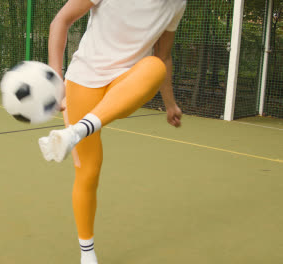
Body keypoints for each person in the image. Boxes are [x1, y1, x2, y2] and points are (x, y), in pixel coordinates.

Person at [38, 0, 187, 263]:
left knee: (155, 66)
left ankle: (76, 132)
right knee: (89, 171)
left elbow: (163, 55)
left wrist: (170, 103)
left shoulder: (177, 3)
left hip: (126, 85)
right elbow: (60, 21)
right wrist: (56, 79)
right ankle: (88, 254)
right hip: (82, 82)